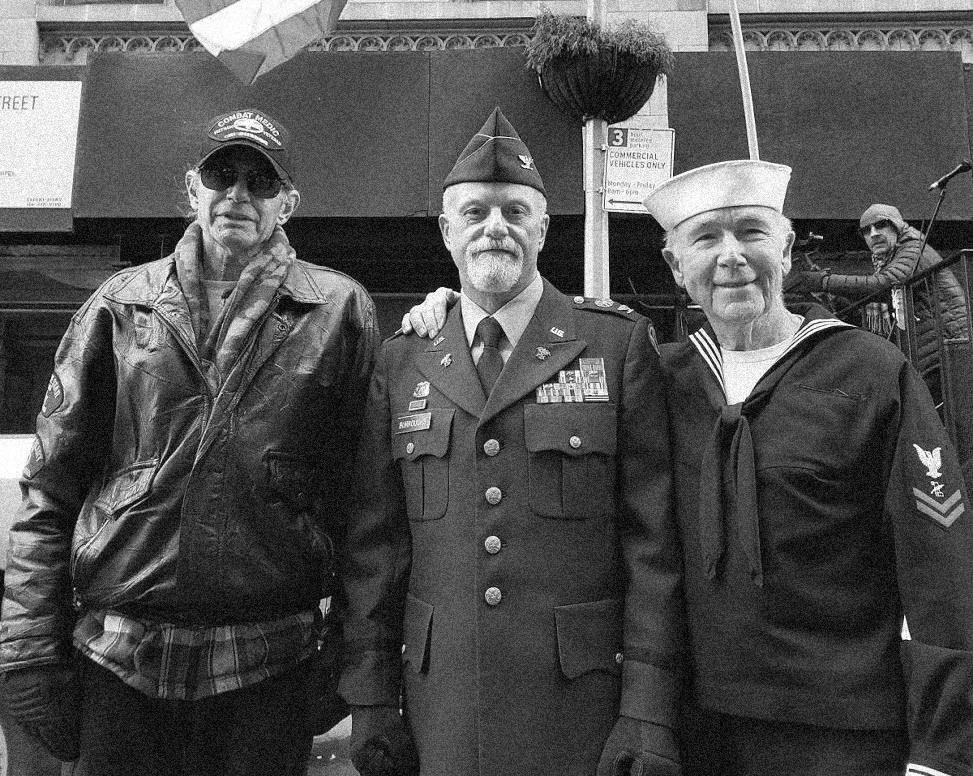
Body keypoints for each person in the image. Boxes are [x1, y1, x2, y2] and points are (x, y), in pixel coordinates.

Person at [0, 107, 378, 775]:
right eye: (221, 175)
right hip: (120, 655)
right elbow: (51, 486)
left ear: (287, 203)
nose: (238, 194)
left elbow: (366, 502)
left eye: (260, 181)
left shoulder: (339, 310)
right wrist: (28, 647)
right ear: (192, 189)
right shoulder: (120, 305)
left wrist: (350, 652)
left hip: (271, 661)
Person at [339, 108, 685, 776]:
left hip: (579, 705)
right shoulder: (403, 359)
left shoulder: (615, 346)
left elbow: (653, 548)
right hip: (442, 704)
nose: (494, 227)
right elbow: (375, 547)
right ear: (448, 231)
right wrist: (372, 698)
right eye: (474, 213)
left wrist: (648, 710)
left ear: (543, 229)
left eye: (514, 212)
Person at [643, 160, 973, 776]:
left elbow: (940, 567)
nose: (732, 256)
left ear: (788, 250)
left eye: (752, 232)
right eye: (706, 238)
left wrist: (944, 752)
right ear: (675, 266)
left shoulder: (871, 373)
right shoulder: (660, 382)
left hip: (845, 733)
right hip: (695, 732)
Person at [798, 203, 969, 405]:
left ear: (896, 226)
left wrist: (824, 282)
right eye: (866, 230)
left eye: (881, 225)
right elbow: (876, 309)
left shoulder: (914, 248)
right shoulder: (887, 261)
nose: (873, 233)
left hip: (946, 350)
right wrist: (833, 297)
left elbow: (886, 285)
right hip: (927, 355)